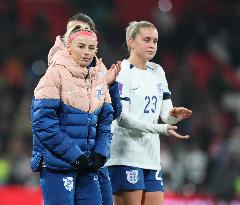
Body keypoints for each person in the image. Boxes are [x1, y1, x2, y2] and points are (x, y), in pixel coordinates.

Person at [106, 21, 192, 205]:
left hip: (151, 158)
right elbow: (121, 117)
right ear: (131, 42)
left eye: (155, 40)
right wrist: (161, 129)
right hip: (125, 156)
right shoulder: (122, 72)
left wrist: (173, 114)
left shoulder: (157, 71)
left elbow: (165, 116)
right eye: (146, 40)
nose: (152, 45)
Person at [31, 25, 114, 205]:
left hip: (88, 165)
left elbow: (106, 124)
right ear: (69, 46)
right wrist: (75, 156)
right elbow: (43, 123)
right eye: (81, 46)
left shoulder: (99, 79)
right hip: (58, 165)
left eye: (91, 48)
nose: (86, 52)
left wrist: (100, 153)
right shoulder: (54, 74)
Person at [59, 12, 121, 205]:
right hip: (65, 161)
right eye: (73, 31)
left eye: (83, 30)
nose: (78, 35)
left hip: (95, 161)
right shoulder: (57, 71)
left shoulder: (103, 72)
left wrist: (109, 85)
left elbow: (114, 114)